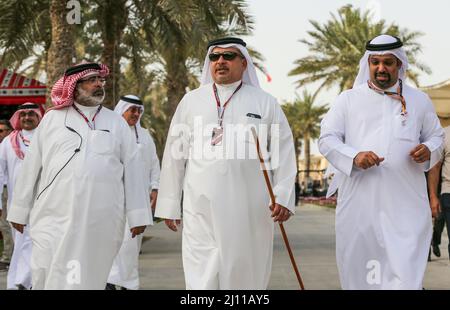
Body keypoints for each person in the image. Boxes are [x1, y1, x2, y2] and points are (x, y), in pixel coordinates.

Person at [155, 37, 297, 289]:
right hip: (200, 208)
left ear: (243, 63)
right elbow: (174, 156)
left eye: (228, 56)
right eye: (214, 57)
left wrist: (283, 196)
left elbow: (283, 153)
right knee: (202, 272)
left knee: (244, 272)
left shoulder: (265, 103)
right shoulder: (191, 101)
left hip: (249, 209)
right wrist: (169, 204)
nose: (220, 61)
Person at [6, 62, 152, 289]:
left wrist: (138, 214)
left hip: (101, 217)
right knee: (47, 268)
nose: (98, 84)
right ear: (74, 86)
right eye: (91, 80)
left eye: (100, 80)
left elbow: (133, 169)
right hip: (53, 215)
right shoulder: (52, 120)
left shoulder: (116, 123)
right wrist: (19, 210)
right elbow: (31, 167)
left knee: (89, 275)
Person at [319, 34, 444, 289]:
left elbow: (438, 138)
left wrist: (428, 149)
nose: (381, 68)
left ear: (399, 64)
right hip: (360, 204)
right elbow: (327, 139)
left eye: (388, 62)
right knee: (363, 273)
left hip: (406, 204)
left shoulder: (419, 100)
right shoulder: (348, 100)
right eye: (375, 62)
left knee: (405, 273)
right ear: (368, 64)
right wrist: (354, 155)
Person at [107, 95, 160, 290]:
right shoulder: (110, 132)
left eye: (139, 111)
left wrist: (156, 187)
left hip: (139, 199)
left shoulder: (144, 135)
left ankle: (128, 282)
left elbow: (154, 163)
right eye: (132, 110)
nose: (136, 114)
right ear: (122, 110)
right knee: (114, 240)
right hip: (114, 196)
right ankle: (111, 280)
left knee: (131, 243)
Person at [0, 104, 42, 289]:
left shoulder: (46, 139)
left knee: (37, 241)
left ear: (38, 116)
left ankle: (25, 281)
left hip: (44, 201)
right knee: (22, 242)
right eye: (23, 114)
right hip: (17, 203)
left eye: (31, 114)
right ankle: (23, 281)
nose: (26, 117)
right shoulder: (8, 142)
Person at [427, 126, 450, 260]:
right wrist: (433, 195)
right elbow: (435, 166)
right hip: (447, 191)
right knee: (438, 220)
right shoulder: (445, 135)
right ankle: (433, 243)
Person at [0, 119, 13, 272]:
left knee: (7, 223)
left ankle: (7, 257)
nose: (0, 134)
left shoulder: (13, 146)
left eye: (2, 130)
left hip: (8, 189)